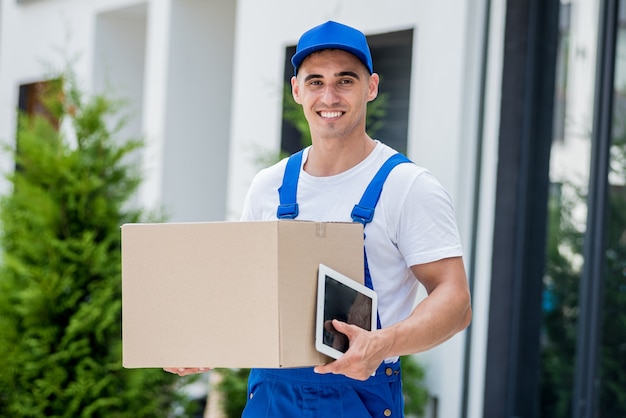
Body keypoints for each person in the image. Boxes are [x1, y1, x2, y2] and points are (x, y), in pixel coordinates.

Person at [166, 20, 472, 417]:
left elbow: (455, 300)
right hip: (272, 397)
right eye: (315, 81)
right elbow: (242, 293)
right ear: (297, 90)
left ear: (372, 87)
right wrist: (203, 339)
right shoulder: (269, 187)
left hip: (360, 395)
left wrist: (384, 343)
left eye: (345, 80)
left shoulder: (408, 186)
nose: (329, 95)